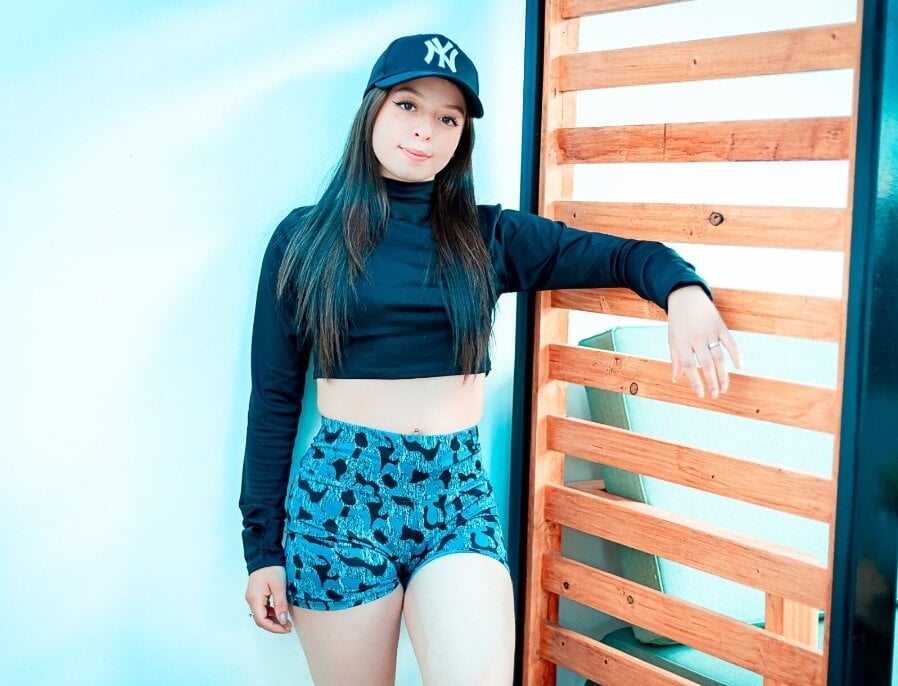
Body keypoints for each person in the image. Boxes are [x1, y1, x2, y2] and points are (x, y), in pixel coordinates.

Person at [239, 33, 741, 686]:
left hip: (455, 495)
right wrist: (262, 549)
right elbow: (275, 397)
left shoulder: (488, 235)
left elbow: (622, 255)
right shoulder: (305, 238)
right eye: (407, 105)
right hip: (340, 498)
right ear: (373, 109)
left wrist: (683, 290)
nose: (425, 130)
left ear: (462, 136)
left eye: (448, 118)